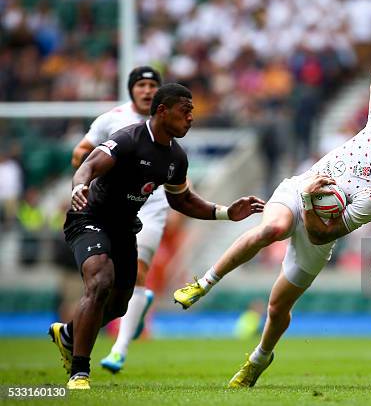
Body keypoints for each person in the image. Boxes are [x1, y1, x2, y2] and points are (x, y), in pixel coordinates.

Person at [173, 11, 371, 388]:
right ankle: (205, 283)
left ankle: (259, 358)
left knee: (278, 308)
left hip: (317, 224)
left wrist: (310, 203)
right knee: (271, 228)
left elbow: (325, 234)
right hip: (297, 189)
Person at [49, 83, 265, 390]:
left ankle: (69, 334)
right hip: (90, 218)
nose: (191, 117)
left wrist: (227, 212)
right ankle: (79, 372)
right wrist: (79, 187)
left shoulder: (176, 157)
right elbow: (89, 166)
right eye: (185, 110)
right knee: (99, 281)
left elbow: (183, 200)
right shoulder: (128, 140)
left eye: (192, 112)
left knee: (120, 304)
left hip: (124, 228)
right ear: (162, 111)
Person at [71, 66, 166, 373]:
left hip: (151, 206)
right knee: (109, 286)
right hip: (112, 208)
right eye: (141, 84)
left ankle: (118, 350)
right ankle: (76, 332)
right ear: (131, 89)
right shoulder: (112, 119)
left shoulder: (166, 123)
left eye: (153, 84)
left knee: (137, 273)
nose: (147, 90)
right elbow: (80, 154)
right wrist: (97, 174)